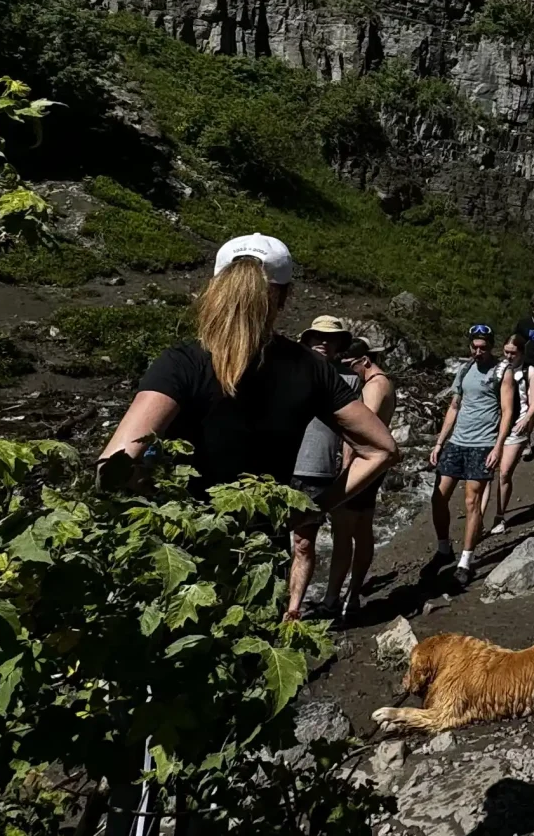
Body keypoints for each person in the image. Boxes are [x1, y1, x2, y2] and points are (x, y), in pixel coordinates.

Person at [99, 236, 395, 619]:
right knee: (255, 658)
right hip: (259, 558)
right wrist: (311, 509)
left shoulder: (181, 363)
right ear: (284, 296)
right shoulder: (310, 368)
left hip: (180, 552)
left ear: (216, 287)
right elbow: (383, 449)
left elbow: (111, 469)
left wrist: (149, 495)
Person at [293, 316, 394, 625]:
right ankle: (330, 599)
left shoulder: (352, 381)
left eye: (331, 338)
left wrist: (348, 466)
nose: (324, 342)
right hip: (297, 466)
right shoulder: (291, 372)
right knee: (314, 538)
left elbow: (363, 432)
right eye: (318, 337)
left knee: (339, 534)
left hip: (335, 470)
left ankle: (335, 599)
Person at [427, 324, 508, 577]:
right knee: (438, 497)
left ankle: (465, 560)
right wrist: (440, 441)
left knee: (472, 501)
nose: (478, 351)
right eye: (474, 346)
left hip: (483, 443)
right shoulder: (464, 369)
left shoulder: (500, 371)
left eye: (483, 347)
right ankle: (443, 549)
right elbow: (454, 406)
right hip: (457, 442)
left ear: (491, 346)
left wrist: (498, 446)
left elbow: (507, 412)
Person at [486, 333, 534, 527]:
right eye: (506, 352)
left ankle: (499, 515)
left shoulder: (530, 371)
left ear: (521, 353)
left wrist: (526, 419)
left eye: (513, 353)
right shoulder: (498, 368)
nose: (509, 356)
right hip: (494, 425)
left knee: (504, 472)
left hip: (517, 424)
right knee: (487, 472)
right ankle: (479, 515)